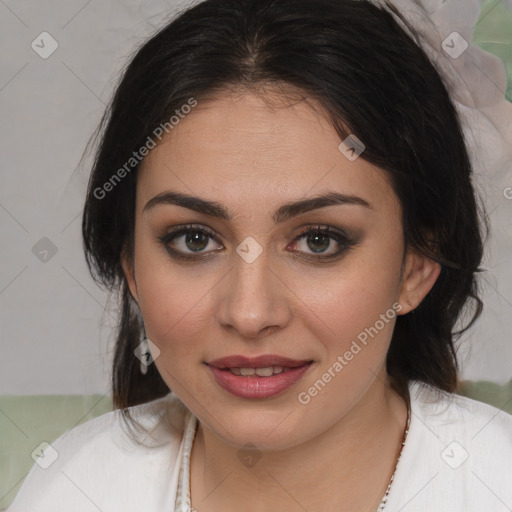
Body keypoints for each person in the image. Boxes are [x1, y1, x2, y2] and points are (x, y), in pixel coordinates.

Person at [7, 0, 512, 511]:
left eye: (319, 240)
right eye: (194, 240)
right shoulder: (72, 491)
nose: (249, 314)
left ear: (417, 264)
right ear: (131, 265)